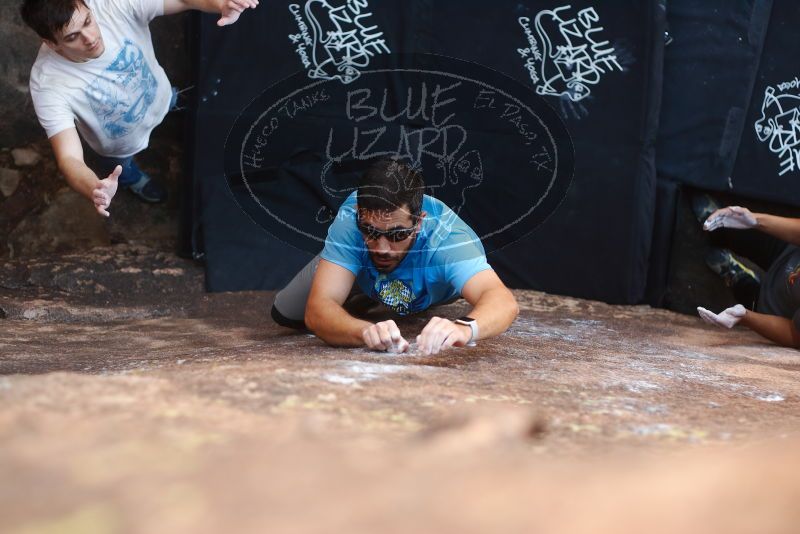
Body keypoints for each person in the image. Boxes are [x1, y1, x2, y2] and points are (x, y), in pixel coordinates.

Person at [21, 0, 258, 216]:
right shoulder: (48, 84)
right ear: (51, 44)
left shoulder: (112, 5)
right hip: (119, 145)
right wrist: (95, 188)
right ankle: (132, 179)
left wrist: (220, 4)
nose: (90, 37)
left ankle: (174, 104)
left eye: (87, 21)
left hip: (159, 96)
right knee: (120, 167)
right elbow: (69, 157)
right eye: (73, 37)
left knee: (172, 100)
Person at [271, 158, 520, 356]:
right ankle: (363, 294)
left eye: (397, 234)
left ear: (419, 222)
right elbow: (317, 312)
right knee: (287, 310)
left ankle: (370, 297)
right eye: (369, 231)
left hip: (430, 281)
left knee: (411, 304)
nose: (382, 248)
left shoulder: (448, 241)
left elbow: (503, 302)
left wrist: (464, 328)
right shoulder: (350, 221)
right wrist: (366, 332)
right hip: (361, 268)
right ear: (359, 215)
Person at [695, 200, 800, 348]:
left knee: (746, 294)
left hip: (775, 307)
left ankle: (738, 276)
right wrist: (754, 220)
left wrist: (745, 317)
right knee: (743, 233)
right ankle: (717, 227)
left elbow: (793, 334)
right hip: (787, 251)